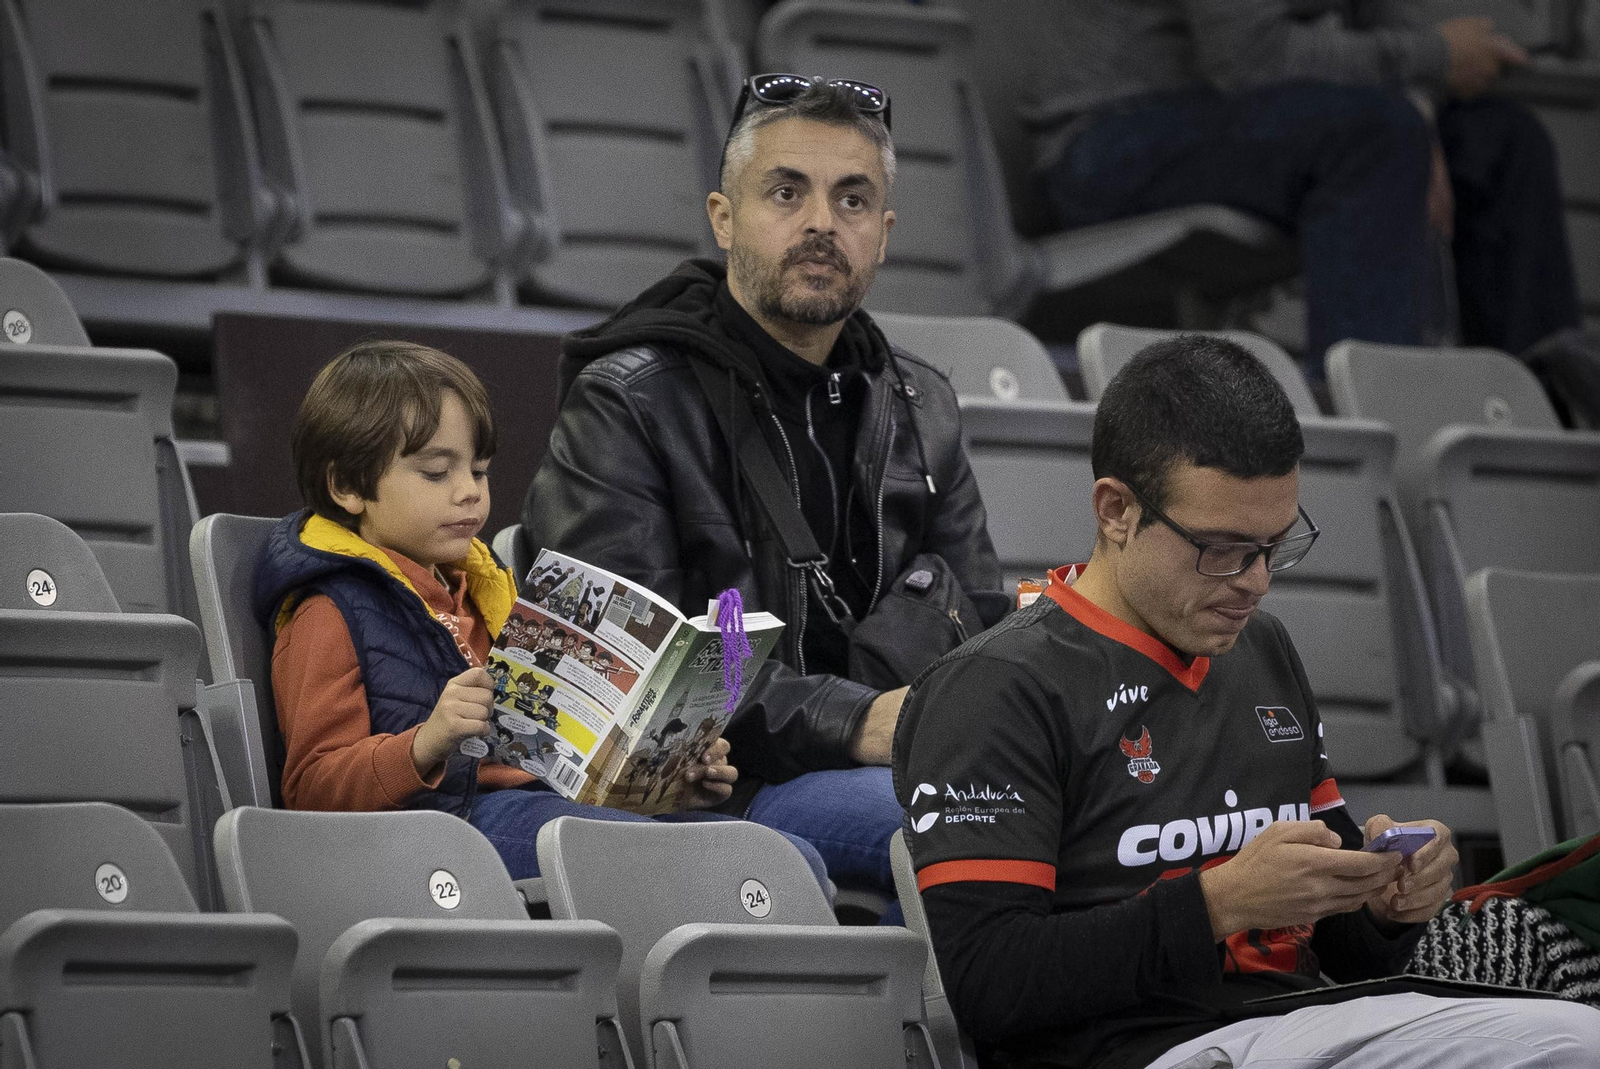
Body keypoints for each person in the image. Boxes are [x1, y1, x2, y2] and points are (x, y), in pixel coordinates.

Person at [893, 336, 1600, 1068]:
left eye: (1275, 545)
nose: (1256, 581)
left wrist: (1385, 901)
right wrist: (1217, 904)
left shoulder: (1261, 648)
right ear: (1116, 511)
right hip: (1140, 1049)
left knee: (1580, 1036)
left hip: (1303, 1019)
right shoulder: (995, 687)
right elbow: (986, 981)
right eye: (1224, 549)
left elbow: (1343, 947)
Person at [523, 76, 1006, 905]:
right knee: (970, 830)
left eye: (852, 200)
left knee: (1076, 811)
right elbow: (627, 682)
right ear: (723, 217)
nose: (822, 222)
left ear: (884, 235)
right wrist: (856, 722)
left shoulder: (921, 405)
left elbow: (987, 625)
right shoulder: (628, 400)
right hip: (717, 788)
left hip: (892, 766)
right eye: (787, 192)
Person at [255, 340, 827, 886]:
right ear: (348, 486)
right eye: (436, 472)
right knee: (713, 870)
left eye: (478, 471)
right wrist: (424, 743)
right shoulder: (328, 609)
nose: (469, 493)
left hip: (540, 804)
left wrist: (668, 779)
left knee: (792, 861)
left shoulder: (487, 589)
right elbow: (310, 789)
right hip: (451, 828)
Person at [1023, 3, 1581, 365]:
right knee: (1375, 134)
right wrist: (1429, 63)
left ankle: (1538, 418)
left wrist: (1421, 96)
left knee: (1504, 140)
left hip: (1254, 121)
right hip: (1106, 138)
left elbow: (1384, 28)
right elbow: (1248, 59)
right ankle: (1366, 413)